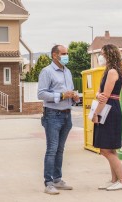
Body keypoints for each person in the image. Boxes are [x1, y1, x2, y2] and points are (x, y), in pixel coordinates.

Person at [38, 45, 79, 195]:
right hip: (52, 115)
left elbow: (70, 92)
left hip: (67, 115)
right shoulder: (47, 72)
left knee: (60, 150)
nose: (66, 55)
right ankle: (48, 183)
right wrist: (61, 95)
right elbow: (41, 94)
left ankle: (57, 180)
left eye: (67, 53)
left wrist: (74, 97)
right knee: (52, 150)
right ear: (54, 55)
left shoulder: (67, 72)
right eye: (64, 53)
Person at [91, 44, 122, 191]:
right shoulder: (109, 71)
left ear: (108, 55)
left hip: (109, 110)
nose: (100, 56)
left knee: (105, 149)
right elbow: (99, 93)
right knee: (110, 148)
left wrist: (95, 114)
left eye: (101, 53)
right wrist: (97, 95)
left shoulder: (112, 72)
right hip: (110, 108)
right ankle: (115, 180)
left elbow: (104, 97)